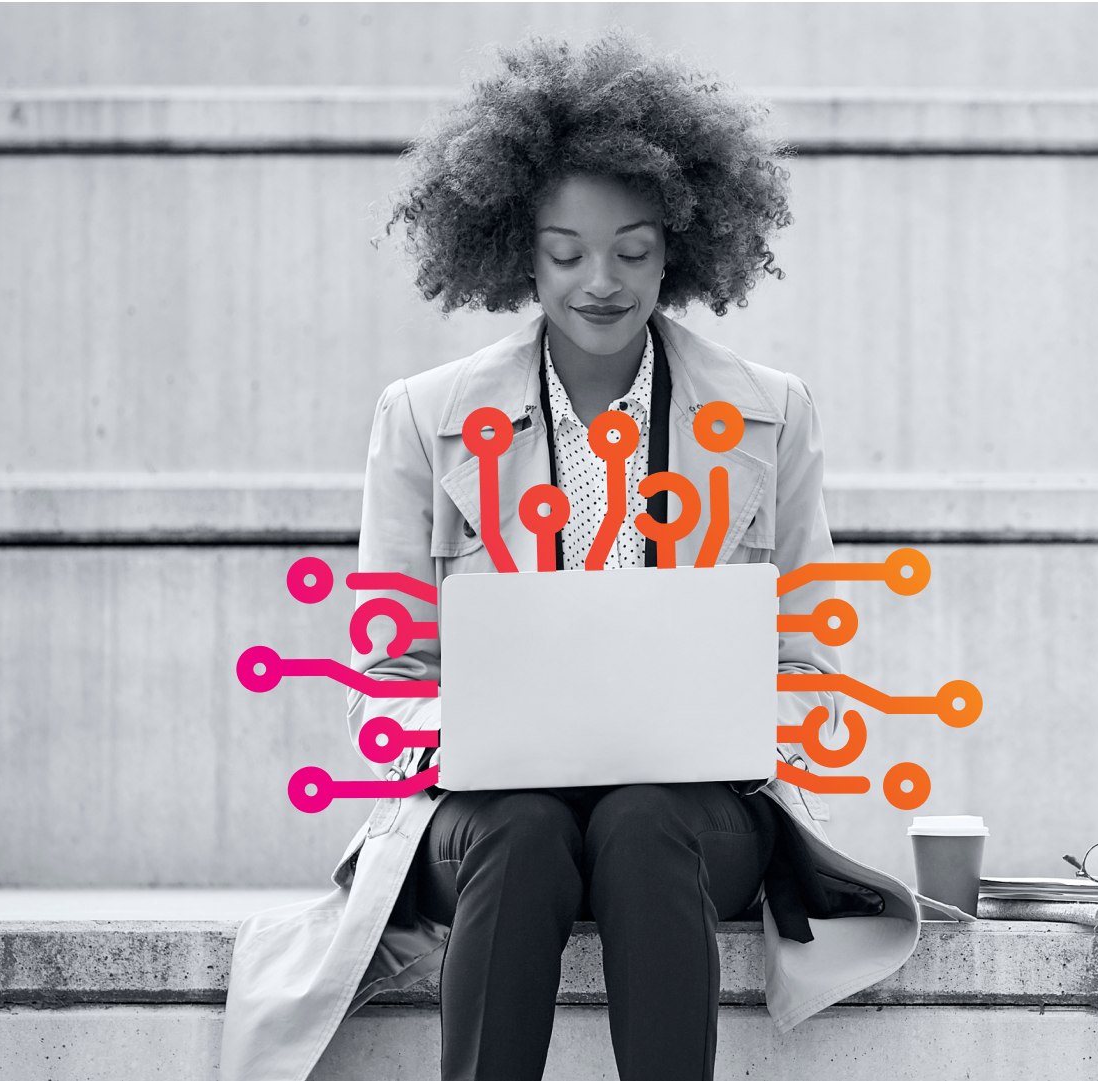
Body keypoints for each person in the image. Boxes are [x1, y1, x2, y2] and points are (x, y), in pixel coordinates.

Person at [220, 31, 933, 1081]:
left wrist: (729, 727)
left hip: (695, 819)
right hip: (486, 819)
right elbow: (381, 692)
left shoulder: (770, 415)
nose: (600, 281)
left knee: (644, 822)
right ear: (517, 246)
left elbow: (810, 674)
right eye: (565, 251)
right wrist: (492, 732)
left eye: (633, 250)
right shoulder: (423, 419)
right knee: (523, 823)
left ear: (680, 245)